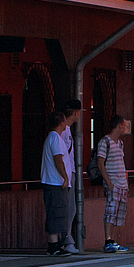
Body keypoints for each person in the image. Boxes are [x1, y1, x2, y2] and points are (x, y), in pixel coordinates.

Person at [95, 115, 131, 253]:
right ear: (119, 125)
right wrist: (109, 183)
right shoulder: (105, 142)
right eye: (123, 125)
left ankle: (113, 241)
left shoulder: (120, 143)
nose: (125, 128)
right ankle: (108, 240)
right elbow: (100, 162)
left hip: (122, 184)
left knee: (118, 213)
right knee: (110, 210)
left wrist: (125, 184)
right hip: (113, 182)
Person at [41, 111, 71, 256]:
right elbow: (58, 159)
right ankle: (53, 244)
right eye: (65, 121)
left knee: (57, 212)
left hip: (53, 182)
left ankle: (56, 243)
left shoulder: (52, 138)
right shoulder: (55, 139)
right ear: (60, 122)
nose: (66, 124)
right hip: (55, 183)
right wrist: (65, 177)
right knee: (56, 212)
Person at [59, 99, 82, 254]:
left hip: (68, 173)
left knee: (71, 209)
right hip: (66, 175)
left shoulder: (65, 131)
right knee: (69, 209)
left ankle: (66, 240)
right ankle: (66, 240)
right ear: (75, 113)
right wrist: (66, 176)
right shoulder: (64, 131)